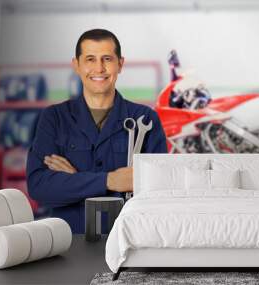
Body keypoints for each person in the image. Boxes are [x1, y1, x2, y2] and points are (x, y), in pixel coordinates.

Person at [26, 29, 168, 233]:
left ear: (120, 64)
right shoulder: (54, 118)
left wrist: (75, 180)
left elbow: (158, 190)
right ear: (76, 65)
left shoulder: (145, 119)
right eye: (90, 59)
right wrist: (111, 181)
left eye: (107, 59)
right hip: (69, 243)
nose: (99, 68)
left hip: (128, 238)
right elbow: (40, 186)